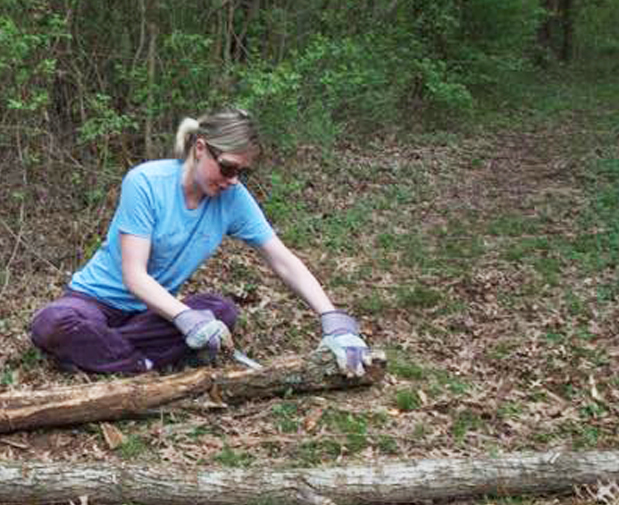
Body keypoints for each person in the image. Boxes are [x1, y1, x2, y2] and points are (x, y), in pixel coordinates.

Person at [28, 107, 370, 377]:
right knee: (53, 323)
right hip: (96, 304)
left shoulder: (233, 198)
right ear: (201, 149)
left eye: (242, 173)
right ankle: (144, 363)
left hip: (151, 313)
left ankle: (106, 356)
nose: (233, 181)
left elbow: (281, 258)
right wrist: (185, 319)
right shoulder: (146, 182)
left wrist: (332, 319)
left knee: (221, 311)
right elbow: (135, 277)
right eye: (227, 168)